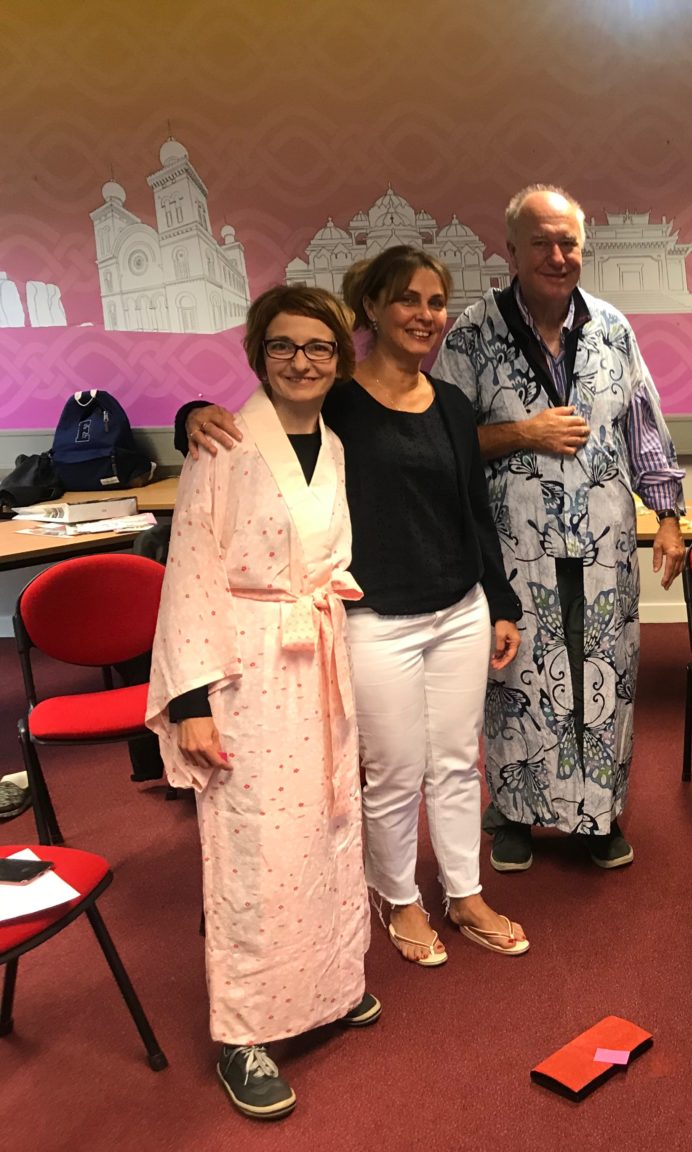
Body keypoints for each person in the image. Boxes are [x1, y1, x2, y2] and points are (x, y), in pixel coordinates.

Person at [180, 247, 527, 968]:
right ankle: (399, 896)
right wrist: (191, 413)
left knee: (458, 762)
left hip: (459, 610)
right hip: (375, 621)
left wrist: (499, 602)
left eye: (436, 302)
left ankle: (464, 892)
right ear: (371, 308)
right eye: (408, 299)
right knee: (394, 769)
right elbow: (261, 424)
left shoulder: (453, 405)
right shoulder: (333, 399)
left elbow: (474, 513)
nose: (425, 315)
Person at [147, 285, 376, 1120]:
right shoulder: (222, 445)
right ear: (259, 354)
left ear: (339, 359)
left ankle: (329, 982)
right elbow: (189, 574)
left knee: (327, 827)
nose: (301, 362)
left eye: (319, 347)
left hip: (319, 660)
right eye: (284, 346)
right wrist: (192, 702)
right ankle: (243, 1033)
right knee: (251, 847)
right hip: (245, 669)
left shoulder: (337, 446)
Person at [432, 185, 686, 872]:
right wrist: (523, 433)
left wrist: (667, 518)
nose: (556, 255)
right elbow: (442, 441)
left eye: (567, 242)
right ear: (511, 250)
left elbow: (644, 429)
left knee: (603, 672)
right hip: (513, 550)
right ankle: (516, 814)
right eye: (540, 242)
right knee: (517, 681)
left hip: (603, 546)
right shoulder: (471, 335)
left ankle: (598, 814)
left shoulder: (612, 328)